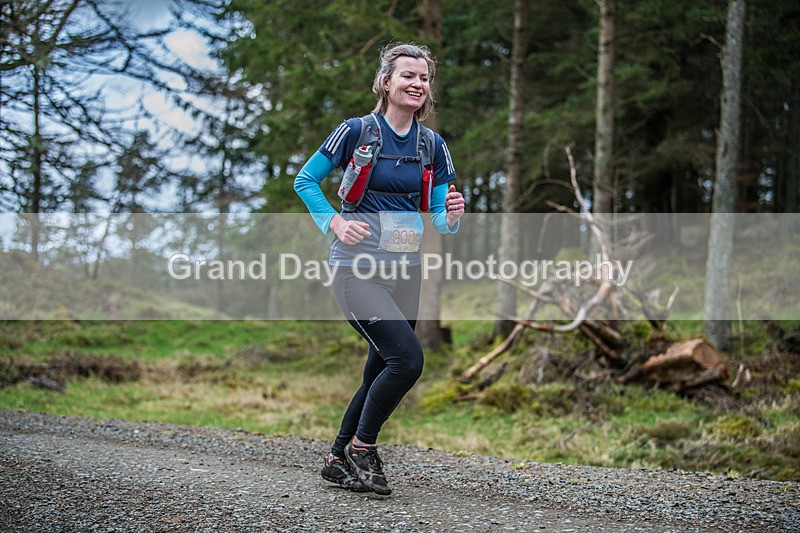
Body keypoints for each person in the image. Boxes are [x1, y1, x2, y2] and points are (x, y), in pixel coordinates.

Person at [294, 42, 465, 495]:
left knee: (381, 368)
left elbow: (440, 220)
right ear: (386, 82)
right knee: (407, 361)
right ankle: (363, 447)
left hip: (407, 271)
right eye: (408, 75)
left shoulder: (433, 145)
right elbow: (305, 180)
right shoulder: (355, 131)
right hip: (357, 269)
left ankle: (337, 458)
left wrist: (452, 215)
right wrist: (334, 221)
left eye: (424, 77)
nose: (417, 83)